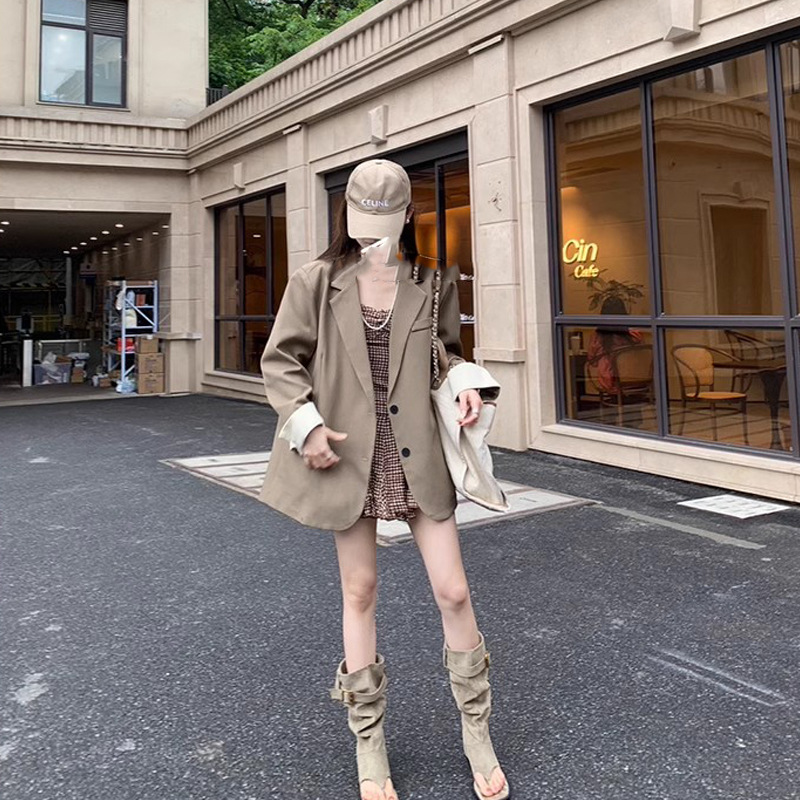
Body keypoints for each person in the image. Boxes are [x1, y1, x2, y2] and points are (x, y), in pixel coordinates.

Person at [259, 159, 510, 800]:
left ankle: (477, 730)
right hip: (350, 457)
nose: (370, 232)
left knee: (453, 591)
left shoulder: (432, 280)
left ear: (405, 218)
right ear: (346, 215)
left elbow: (448, 353)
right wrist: (306, 425)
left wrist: (464, 386)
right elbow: (281, 360)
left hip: (416, 452)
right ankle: (369, 743)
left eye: (383, 221)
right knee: (361, 590)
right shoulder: (316, 281)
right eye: (360, 219)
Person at [585, 296, 643, 395]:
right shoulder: (635, 335)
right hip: (638, 377)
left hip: (611, 381)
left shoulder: (598, 336)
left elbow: (592, 360)